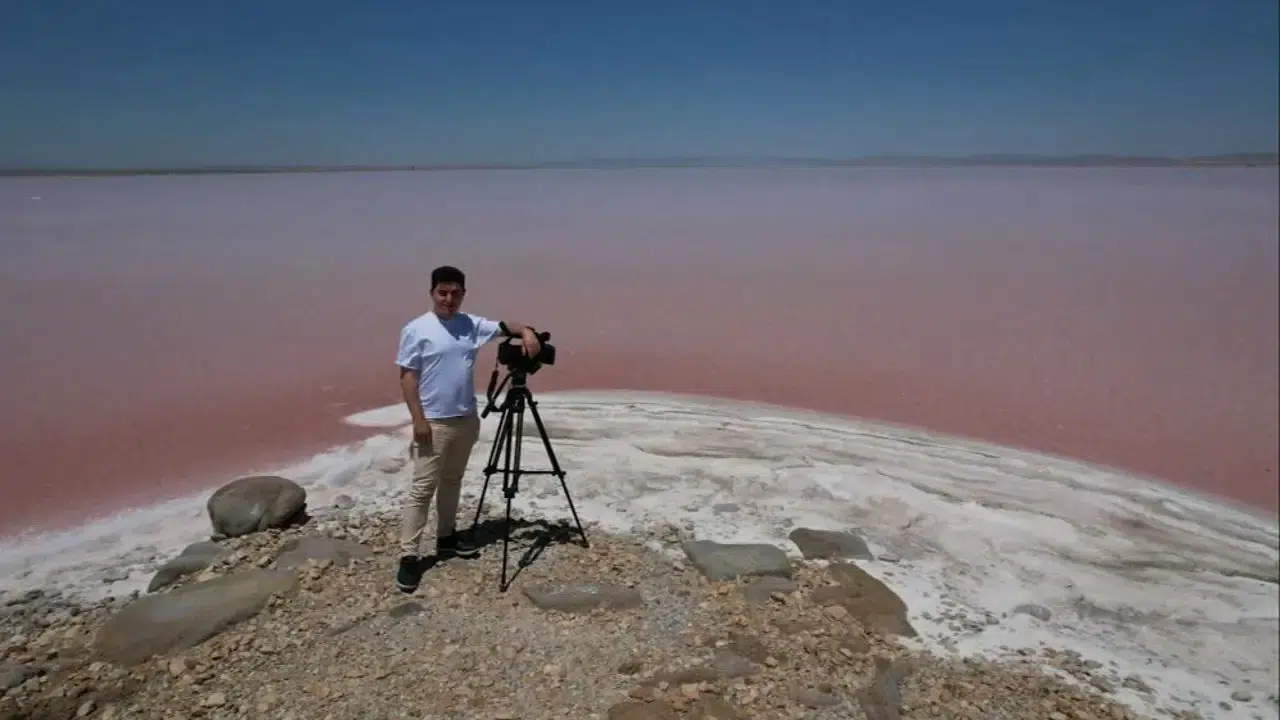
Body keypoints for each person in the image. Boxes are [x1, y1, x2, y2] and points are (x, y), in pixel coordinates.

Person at [393, 265, 542, 593]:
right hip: (434, 421)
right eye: (442, 293)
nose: (449, 299)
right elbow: (407, 378)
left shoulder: (470, 324)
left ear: (463, 294)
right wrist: (418, 420)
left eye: (455, 293)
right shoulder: (417, 329)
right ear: (432, 293)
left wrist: (527, 332)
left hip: (465, 418)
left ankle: (446, 538)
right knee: (422, 488)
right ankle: (409, 556)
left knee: (452, 481)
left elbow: (507, 326)